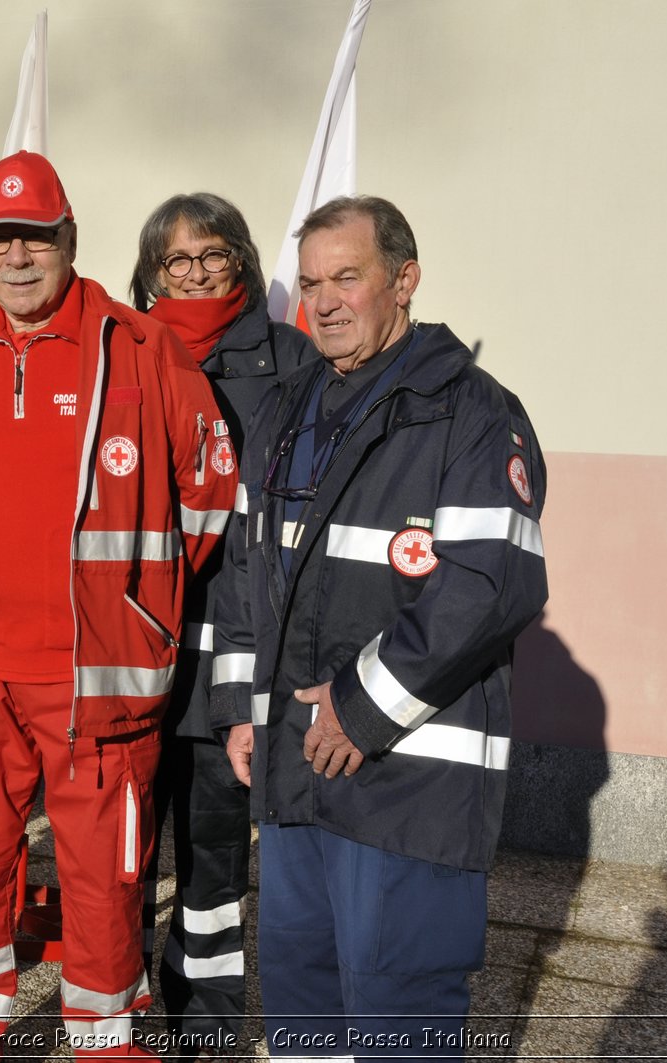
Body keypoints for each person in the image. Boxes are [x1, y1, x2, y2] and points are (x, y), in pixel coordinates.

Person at [0, 151, 236, 1060]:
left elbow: (207, 495)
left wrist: (139, 603)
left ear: (70, 239)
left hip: (100, 675)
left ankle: (105, 1032)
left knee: (103, 872)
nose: (17, 257)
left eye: (35, 238)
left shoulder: (139, 344)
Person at [210, 196, 548, 1060]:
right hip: (294, 773)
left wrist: (360, 709)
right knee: (303, 1012)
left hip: (407, 784)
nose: (322, 301)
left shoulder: (471, 413)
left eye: (347, 278)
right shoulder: (286, 413)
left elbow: (490, 585)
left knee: (400, 1018)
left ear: (404, 280)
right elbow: (247, 568)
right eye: (311, 282)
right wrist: (242, 708)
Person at [127, 193, 316, 1058]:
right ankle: (115, 1007)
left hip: (226, 674)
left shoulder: (290, 361)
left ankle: (202, 1028)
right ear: (152, 272)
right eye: (178, 260)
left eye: (212, 255)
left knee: (211, 867)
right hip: (129, 661)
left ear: (241, 259)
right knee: (119, 858)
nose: (197, 272)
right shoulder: (123, 349)